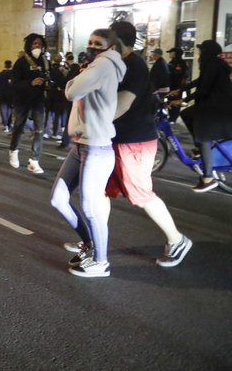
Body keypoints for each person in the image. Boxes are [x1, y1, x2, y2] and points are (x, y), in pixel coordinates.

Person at [82, 20, 193, 268]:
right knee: (101, 190)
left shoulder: (134, 65)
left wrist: (89, 121)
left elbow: (122, 104)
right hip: (114, 139)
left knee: (141, 194)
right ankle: (95, 242)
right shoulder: (114, 63)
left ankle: (177, 240)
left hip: (134, 141)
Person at [50, 28, 126, 278]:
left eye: (99, 43)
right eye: (90, 42)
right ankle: (90, 245)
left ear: (111, 47)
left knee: (91, 207)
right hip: (81, 144)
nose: (92, 47)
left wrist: (76, 78)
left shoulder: (103, 66)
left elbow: (71, 91)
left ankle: (101, 262)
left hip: (97, 147)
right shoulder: (94, 67)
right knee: (58, 198)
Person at [170, 40, 232, 192]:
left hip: (217, 110)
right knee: (186, 114)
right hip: (215, 107)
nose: (198, 54)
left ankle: (208, 177)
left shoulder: (212, 65)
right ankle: (198, 148)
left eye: (200, 51)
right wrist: (182, 89)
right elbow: (200, 81)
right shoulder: (213, 63)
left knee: (203, 136)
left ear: (206, 52)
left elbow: (203, 89)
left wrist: (183, 99)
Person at [8, 33, 51, 174]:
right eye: (34, 44)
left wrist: (47, 84)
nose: (37, 46)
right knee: (19, 126)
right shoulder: (21, 63)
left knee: (39, 130)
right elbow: (14, 84)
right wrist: (30, 83)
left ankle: (34, 160)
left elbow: (50, 77)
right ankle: (13, 150)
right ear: (29, 46)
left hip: (38, 100)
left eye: (40, 44)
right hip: (22, 100)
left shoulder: (45, 61)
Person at [57, 53, 80, 150]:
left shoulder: (73, 70)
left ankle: (65, 141)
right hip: (74, 100)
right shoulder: (79, 70)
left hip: (71, 100)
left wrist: (62, 88)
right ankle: (67, 141)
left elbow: (67, 82)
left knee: (69, 120)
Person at [44, 54, 68, 140]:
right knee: (57, 115)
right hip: (58, 95)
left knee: (48, 114)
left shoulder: (48, 70)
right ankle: (56, 133)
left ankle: (46, 132)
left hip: (49, 94)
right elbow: (65, 81)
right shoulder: (63, 70)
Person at [166, 47, 189, 123]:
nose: (170, 54)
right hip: (171, 86)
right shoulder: (172, 62)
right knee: (170, 101)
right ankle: (171, 117)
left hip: (177, 87)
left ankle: (173, 118)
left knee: (176, 103)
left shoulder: (181, 63)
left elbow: (184, 76)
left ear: (175, 53)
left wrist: (180, 87)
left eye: (171, 52)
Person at [0, 60, 15, 133]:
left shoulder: (0, 74)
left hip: (2, 95)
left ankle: (6, 125)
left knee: (3, 111)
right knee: (9, 111)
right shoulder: (13, 74)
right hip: (11, 95)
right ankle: (9, 124)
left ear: (4, 65)